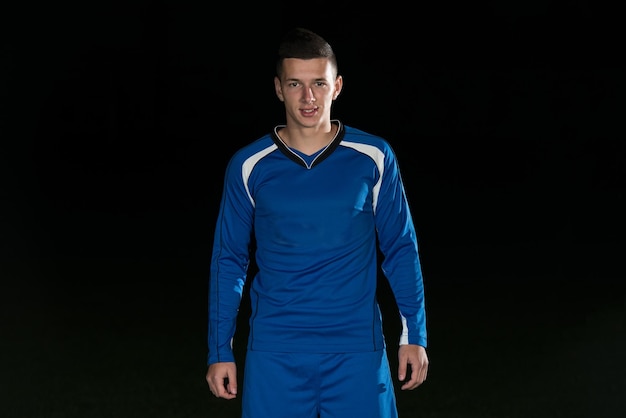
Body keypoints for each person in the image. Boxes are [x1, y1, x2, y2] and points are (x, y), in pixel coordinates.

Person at [206, 27, 429, 418]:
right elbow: (229, 260)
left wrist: (414, 336)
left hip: (357, 349)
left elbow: (400, 246)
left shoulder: (373, 156)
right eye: (295, 84)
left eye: (318, 84)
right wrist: (220, 349)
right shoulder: (248, 165)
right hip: (276, 350)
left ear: (337, 86)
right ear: (278, 88)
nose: (308, 97)